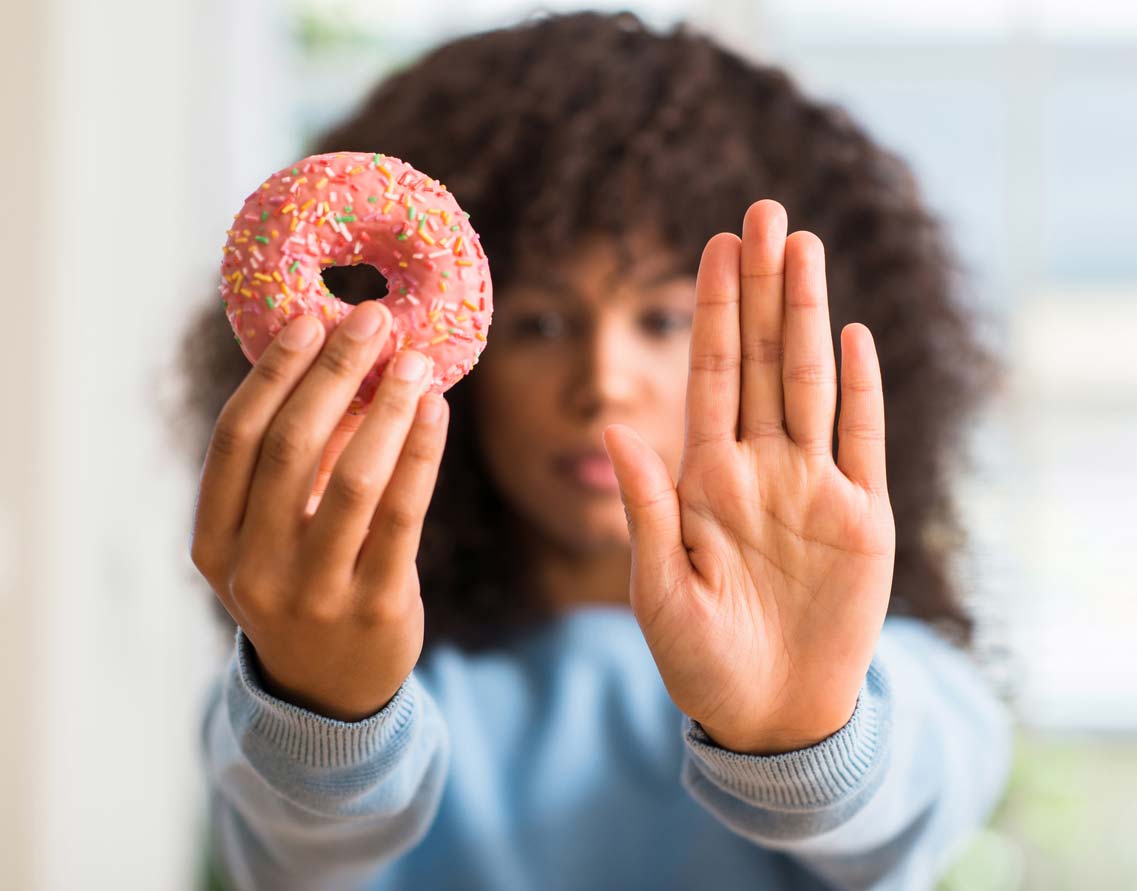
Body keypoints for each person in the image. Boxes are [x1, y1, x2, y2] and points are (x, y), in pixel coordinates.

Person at [172, 10, 1013, 890]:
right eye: (539, 323)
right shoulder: (341, 676)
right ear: (474, 365)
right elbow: (293, 851)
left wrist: (805, 733)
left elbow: (909, 793)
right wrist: (323, 711)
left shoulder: (886, 680)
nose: (603, 381)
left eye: (661, 319)